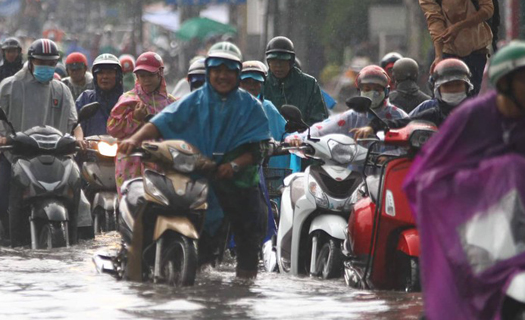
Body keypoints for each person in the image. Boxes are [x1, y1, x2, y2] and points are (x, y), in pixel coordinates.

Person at [118, 42, 271, 279]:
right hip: (198, 174)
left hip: (238, 182)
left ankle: (243, 290)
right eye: (217, 69)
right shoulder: (195, 100)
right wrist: (135, 139)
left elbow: (259, 147)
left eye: (229, 70)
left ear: (237, 73)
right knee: (154, 208)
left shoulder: (251, 106)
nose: (222, 75)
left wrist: (233, 165)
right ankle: (138, 268)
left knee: (249, 240)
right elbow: (162, 121)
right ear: (209, 71)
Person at [403, 40, 525, 320]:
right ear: (505, 83)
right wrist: (491, 177)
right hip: (470, 220)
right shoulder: (471, 118)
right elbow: (425, 179)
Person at [0, 38, 82, 246]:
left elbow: (74, 123)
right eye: (41, 62)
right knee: (2, 194)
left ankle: (78, 235)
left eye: (50, 63)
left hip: (56, 157)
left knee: (78, 188)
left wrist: (80, 140)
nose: (46, 67)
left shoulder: (61, 90)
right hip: (15, 155)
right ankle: (8, 238)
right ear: (30, 61)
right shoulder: (9, 87)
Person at [107, 52, 176, 196]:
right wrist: (134, 118)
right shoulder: (128, 100)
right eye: (142, 76)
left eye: (150, 75)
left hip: (162, 166)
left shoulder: (171, 103)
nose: (146, 80)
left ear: (160, 73)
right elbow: (113, 129)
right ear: (136, 77)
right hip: (131, 165)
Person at [353, 58, 473, 139]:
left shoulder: (478, 111)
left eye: (458, 85)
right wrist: (373, 127)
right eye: (447, 86)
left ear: (467, 87)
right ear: (437, 89)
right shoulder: (432, 111)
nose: (453, 89)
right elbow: (402, 123)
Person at [288, 65, 408, 145]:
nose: (372, 93)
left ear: (386, 91)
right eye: (367, 88)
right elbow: (320, 130)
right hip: (356, 177)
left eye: (377, 89)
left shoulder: (397, 115)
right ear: (359, 92)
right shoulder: (352, 117)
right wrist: (297, 139)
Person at [419, 0, 493, 95]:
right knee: (447, 96)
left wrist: (459, 26)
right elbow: (434, 20)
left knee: (470, 96)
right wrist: (438, 55)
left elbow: (488, 9)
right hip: (449, 50)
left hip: (476, 49)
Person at [263, 36, 328, 126]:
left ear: (291, 61)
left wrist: (302, 129)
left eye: (282, 61)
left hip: (302, 137)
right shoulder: (261, 83)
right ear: (268, 62)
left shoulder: (309, 84)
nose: (278, 66)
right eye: (274, 61)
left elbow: (319, 119)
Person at [76, 53, 123, 137]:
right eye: (100, 73)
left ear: (118, 76)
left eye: (109, 72)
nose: (105, 76)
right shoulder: (85, 98)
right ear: (95, 76)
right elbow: (74, 125)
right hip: (89, 149)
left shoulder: (126, 101)